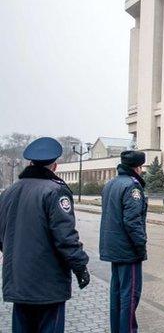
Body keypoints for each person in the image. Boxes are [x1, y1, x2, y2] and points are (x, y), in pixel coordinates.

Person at [0, 137, 90, 332]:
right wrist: (80, 266)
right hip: (48, 285)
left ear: (30, 163)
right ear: (55, 166)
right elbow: (66, 238)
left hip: (18, 281)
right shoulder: (55, 192)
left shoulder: (9, 192)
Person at [100, 150, 147, 333]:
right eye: (142, 168)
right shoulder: (132, 187)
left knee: (117, 296)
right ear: (137, 167)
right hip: (128, 251)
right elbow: (132, 221)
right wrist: (141, 245)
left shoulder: (111, 184)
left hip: (113, 249)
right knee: (130, 296)